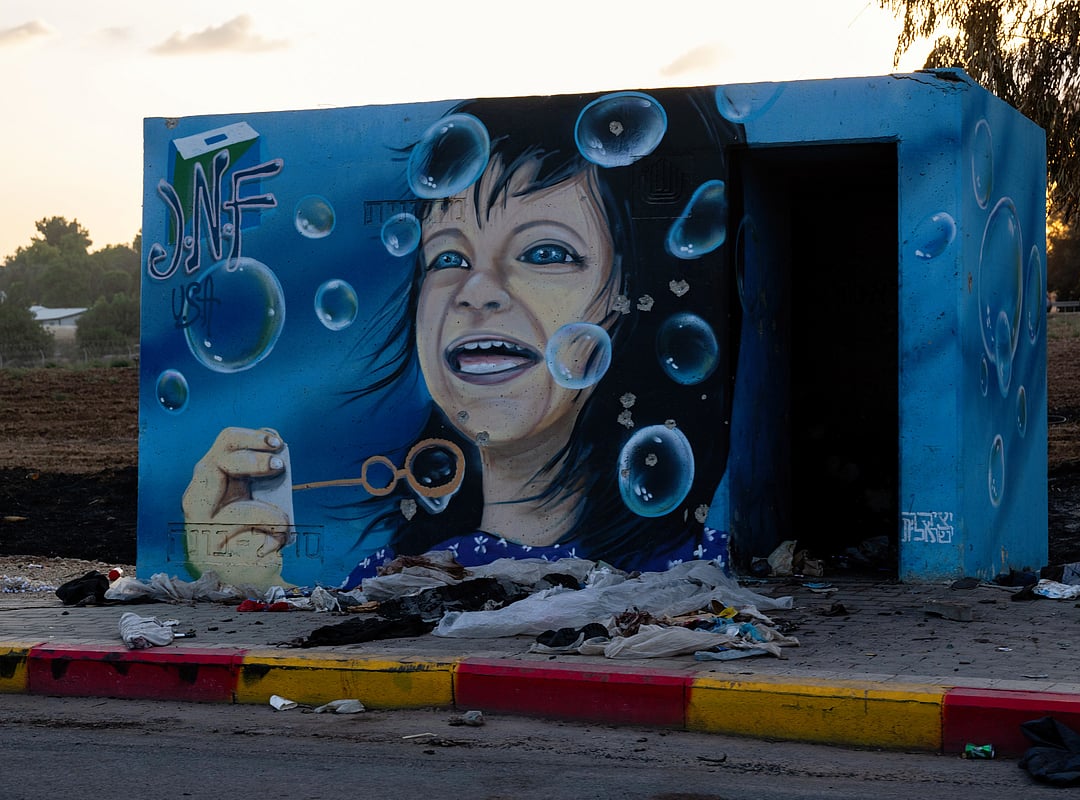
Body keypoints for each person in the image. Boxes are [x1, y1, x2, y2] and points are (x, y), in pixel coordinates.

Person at [182, 88, 743, 588]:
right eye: (447, 257)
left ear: (632, 300)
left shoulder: (698, 576)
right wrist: (246, 579)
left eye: (545, 252)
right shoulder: (392, 578)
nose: (476, 290)